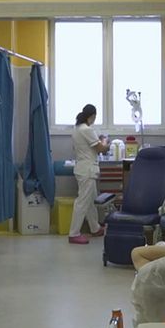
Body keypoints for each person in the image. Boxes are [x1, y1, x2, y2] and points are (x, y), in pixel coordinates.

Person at [69, 104, 109, 244]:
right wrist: (105, 140)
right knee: (82, 202)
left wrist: (99, 140)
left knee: (90, 201)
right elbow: (101, 149)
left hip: (82, 168)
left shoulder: (77, 129)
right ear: (92, 116)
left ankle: (95, 228)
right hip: (87, 170)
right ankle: (74, 233)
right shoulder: (87, 129)